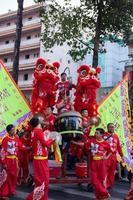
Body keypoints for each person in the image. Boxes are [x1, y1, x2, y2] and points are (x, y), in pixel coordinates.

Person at [25, 116, 55, 200]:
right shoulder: (38, 131)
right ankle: (31, 198)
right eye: (41, 119)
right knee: (43, 183)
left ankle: (43, 198)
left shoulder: (34, 131)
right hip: (40, 160)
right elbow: (45, 144)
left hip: (39, 159)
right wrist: (52, 139)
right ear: (38, 122)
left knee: (42, 182)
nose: (43, 119)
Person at [0, 124, 23, 199]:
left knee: (14, 177)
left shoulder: (16, 138)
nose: (14, 131)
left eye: (14, 129)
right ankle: (4, 194)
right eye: (12, 130)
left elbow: (21, 146)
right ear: (8, 131)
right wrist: (4, 162)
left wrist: (29, 148)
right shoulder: (5, 139)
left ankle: (12, 191)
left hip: (14, 161)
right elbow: (2, 152)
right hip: (8, 160)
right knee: (6, 177)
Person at [104, 123, 124, 189]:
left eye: (112, 127)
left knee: (112, 171)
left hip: (113, 156)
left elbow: (119, 147)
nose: (111, 128)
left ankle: (109, 184)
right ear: (107, 128)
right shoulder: (104, 135)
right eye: (110, 127)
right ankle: (104, 184)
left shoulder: (116, 136)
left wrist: (122, 156)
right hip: (106, 155)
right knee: (105, 170)